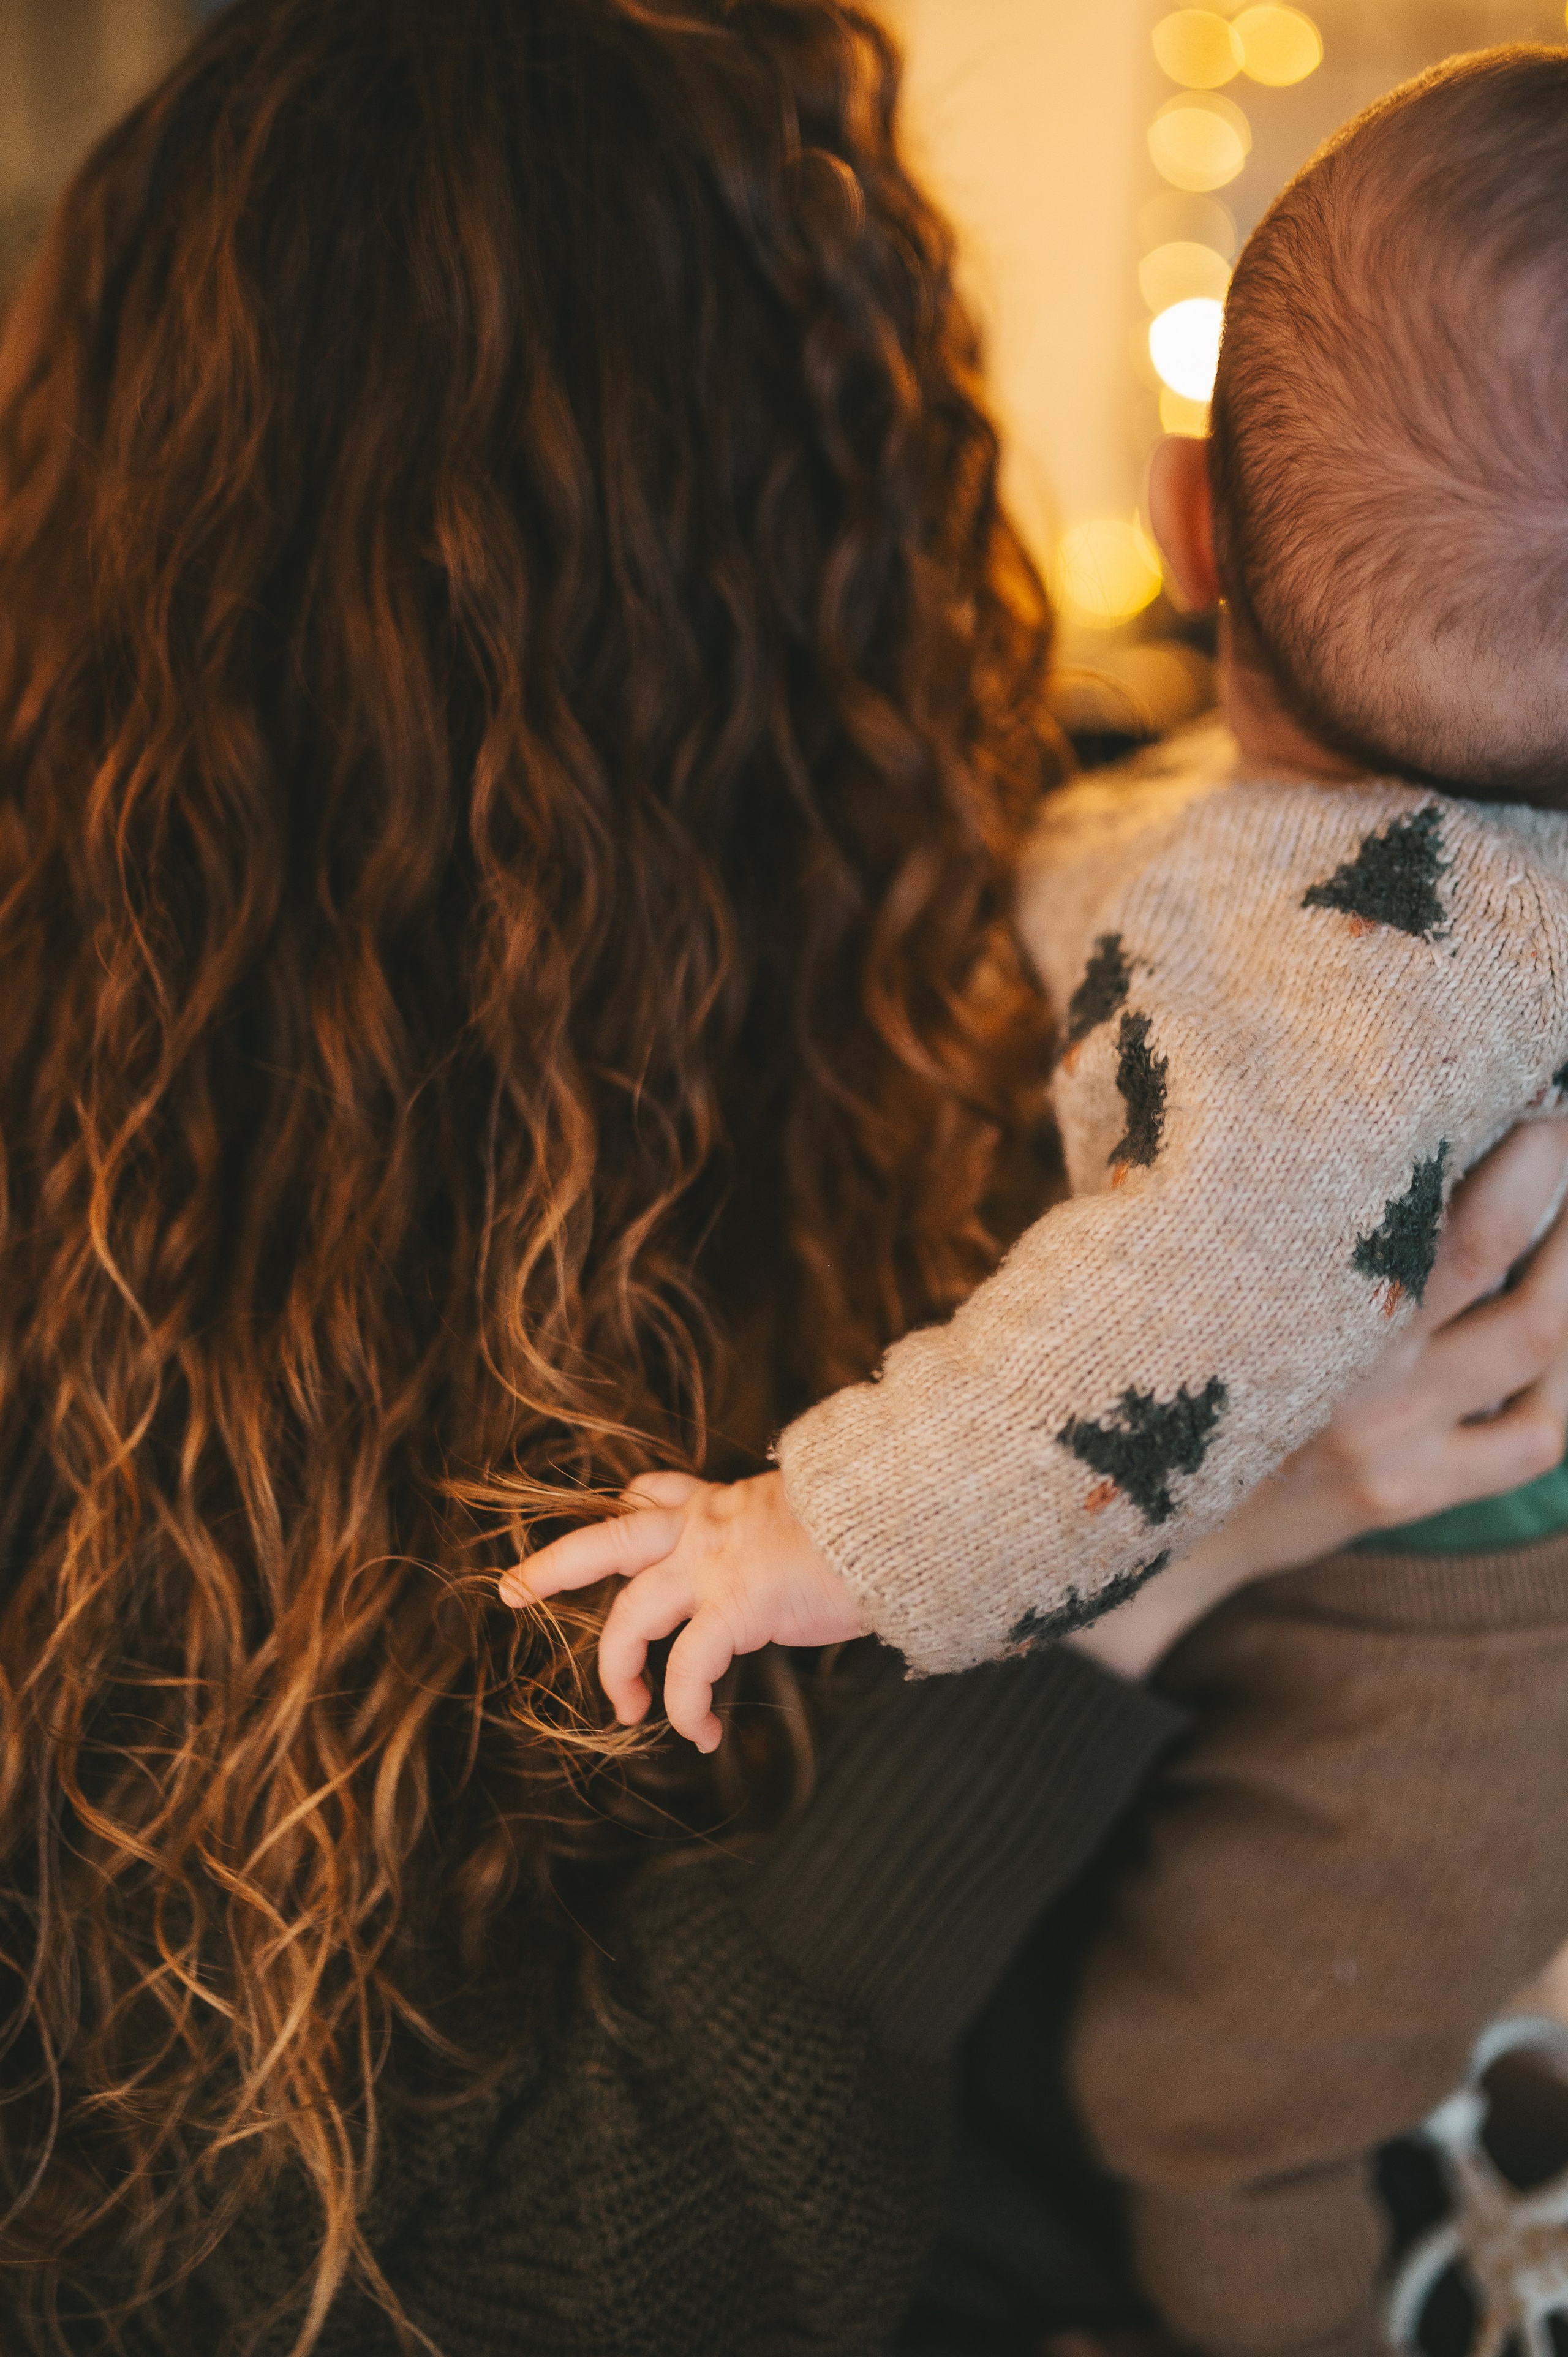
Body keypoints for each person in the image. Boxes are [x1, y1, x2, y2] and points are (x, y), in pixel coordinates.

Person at [1, 6, 1562, 2352]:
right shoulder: (111, 1307)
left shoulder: (932, 940)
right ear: (823, 537)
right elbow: (521, 2291)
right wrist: (1195, 1542)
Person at [519, 45, 1568, 2355]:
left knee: (1211, 2081)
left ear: (1194, 527)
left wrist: (812, 1528)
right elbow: (1120, 893)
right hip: (1396, 1556)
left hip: (1456, 1649)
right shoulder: (1341, 871)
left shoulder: (1362, 964)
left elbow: (1174, 1298)